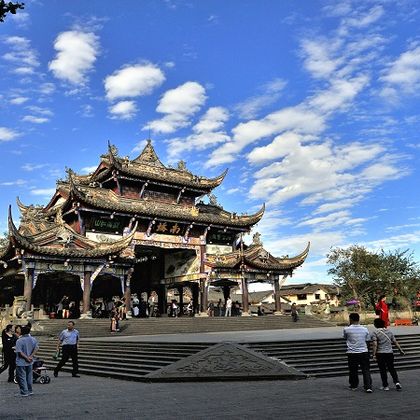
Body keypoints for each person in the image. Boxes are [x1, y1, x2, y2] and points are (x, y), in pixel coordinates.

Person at [371, 318, 404, 391]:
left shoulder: (375, 332)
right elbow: (395, 342)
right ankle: (397, 383)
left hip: (380, 354)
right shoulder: (389, 331)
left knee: (382, 370)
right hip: (390, 353)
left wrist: (373, 354)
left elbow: (375, 344)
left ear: (376, 324)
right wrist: (400, 350)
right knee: (392, 368)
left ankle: (385, 386)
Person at [343, 312, 372, 393]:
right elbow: (368, 341)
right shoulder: (365, 329)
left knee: (353, 370)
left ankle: (353, 385)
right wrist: (367, 350)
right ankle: (368, 386)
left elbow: (345, 338)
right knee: (366, 370)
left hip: (352, 352)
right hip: (364, 352)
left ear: (351, 319)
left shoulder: (346, 329)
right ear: (359, 319)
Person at [15, 325, 38, 397]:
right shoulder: (33, 339)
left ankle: (24, 392)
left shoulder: (19, 340)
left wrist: (26, 358)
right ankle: (30, 390)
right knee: (29, 376)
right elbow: (36, 348)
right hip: (30, 361)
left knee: (21, 377)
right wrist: (30, 356)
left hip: (21, 362)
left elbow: (19, 352)